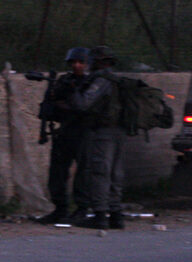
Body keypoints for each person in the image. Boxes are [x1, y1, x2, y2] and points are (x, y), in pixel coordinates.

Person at [66, 45, 126, 230]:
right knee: (115, 172)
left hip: (103, 132)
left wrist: (74, 89)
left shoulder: (101, 80)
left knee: (100, 172)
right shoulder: (117, 79)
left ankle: (100, 215)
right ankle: (115, 214)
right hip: (119, 131)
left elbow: (83, 104)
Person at [37, 47, 93, 224]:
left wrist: (67, 105)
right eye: (73, 62)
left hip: (85, 131)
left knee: (83, 173)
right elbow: (54, 102)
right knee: (58, 172)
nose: (77, 66)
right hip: (66, 130)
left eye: (81, 62)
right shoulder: (64, 81)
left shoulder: (93, 83)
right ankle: (60, 208)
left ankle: (81, 208)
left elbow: (83, 106)